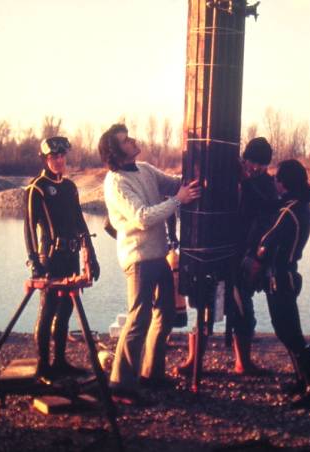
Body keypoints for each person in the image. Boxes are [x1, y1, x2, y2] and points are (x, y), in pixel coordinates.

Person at [98, 123, 200, 404]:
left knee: (165, 314)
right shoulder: (116, 182)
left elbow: (174, 184)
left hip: (158, 255)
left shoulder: (143, 169)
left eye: (129, 137)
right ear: (116, 153)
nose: (132, 140)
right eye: (125, 140)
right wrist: (178, 201)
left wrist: (198, 168)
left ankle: (151, 374)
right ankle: (121, 385)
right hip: (139, 259)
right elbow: (142, 217)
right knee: (138, 319)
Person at [174, 137, 278, 377]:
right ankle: (193, 360)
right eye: (252, 162)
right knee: (205, 306)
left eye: (261, 165)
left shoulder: (266, 186)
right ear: (244, 159)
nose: (255, 168)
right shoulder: (226, 174)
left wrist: (256, 259)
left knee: (243, 310)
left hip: (245, 256)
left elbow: (267, 214)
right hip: (216, 251)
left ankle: (243, 362)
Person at [245, 158, 310, 408]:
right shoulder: (301, 205)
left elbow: (266, 244)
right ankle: (302, 381)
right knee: (287, 331)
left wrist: (254, 264)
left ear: (283, 183)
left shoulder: (289, 211)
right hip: (288, 275)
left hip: (280, 277)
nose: (275, 183)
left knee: (291, 334)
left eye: (277, 179)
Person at [24, 136, 100, 384]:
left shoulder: (69, 187)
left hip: (71, 255)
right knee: (48, 309)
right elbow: (28, 228)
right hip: (50, 257)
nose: (58, 160)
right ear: (45, 159)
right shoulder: (36, 188)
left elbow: (79, 221)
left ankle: (60, 362)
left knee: (67, 308)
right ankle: (43, 367)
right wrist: (34, 261)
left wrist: (91, 254)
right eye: (53, 157)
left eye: (61, 156)